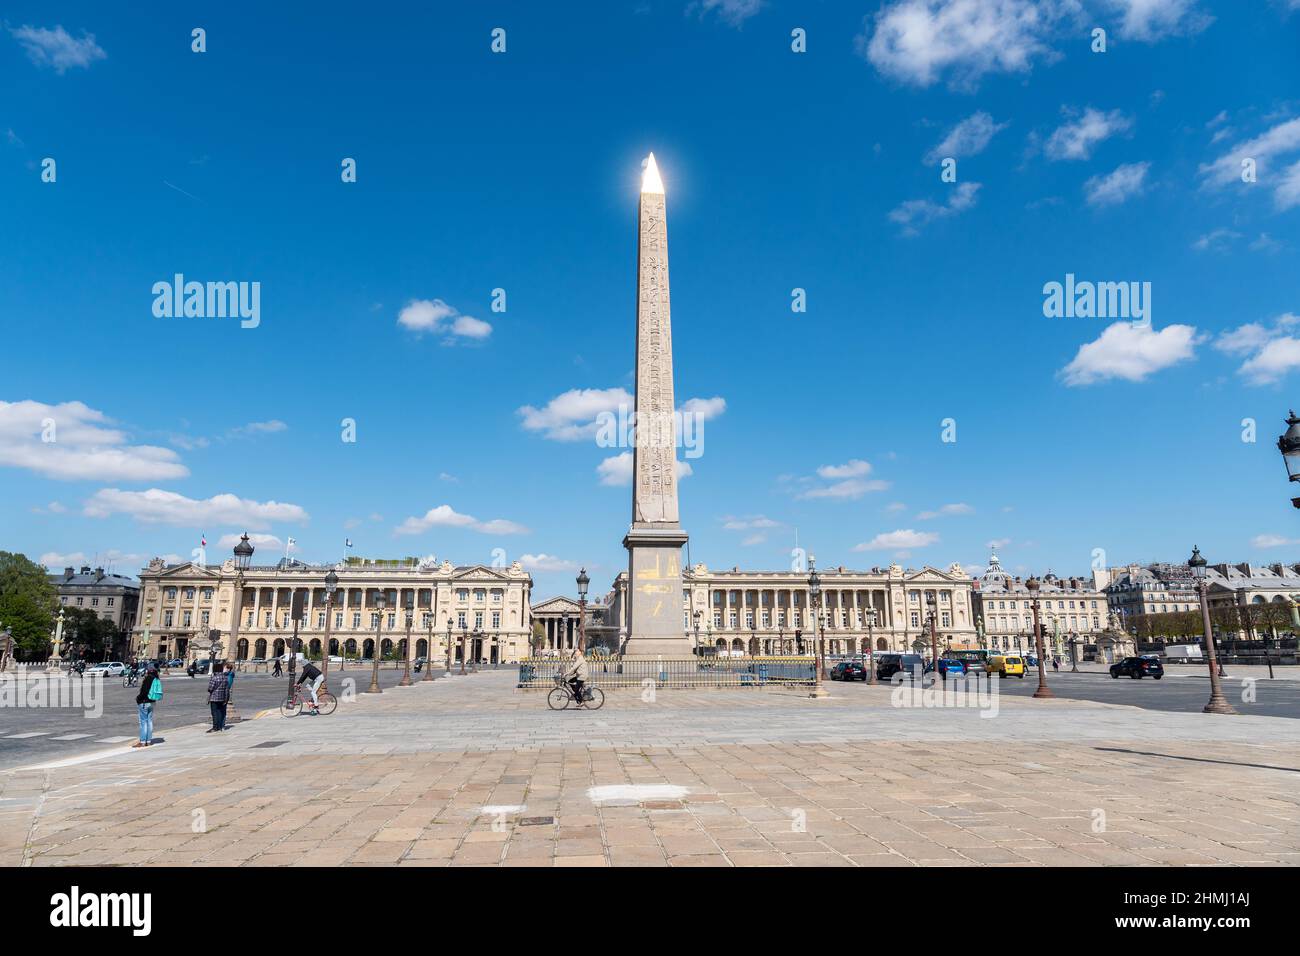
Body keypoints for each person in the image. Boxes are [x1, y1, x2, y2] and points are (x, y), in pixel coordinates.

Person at [134, 662, 162, 748]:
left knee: (143, 722)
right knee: (149, 721)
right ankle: (148, 741)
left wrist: (138, 699)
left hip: (144, 702)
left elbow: (144, 691)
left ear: (149, 670)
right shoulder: (156, 678)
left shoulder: (148, 678)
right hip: (152, 702)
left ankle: (142, 741)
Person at [206, 660, 230, 732]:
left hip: (214, 697)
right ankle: (220, 726)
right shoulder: (225, 678)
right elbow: (227, 689)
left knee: (214, 712)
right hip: (222, 697)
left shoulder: (214, 678)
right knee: (220, 712)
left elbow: (210, 688)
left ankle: (215, 727)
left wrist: (210, 690)